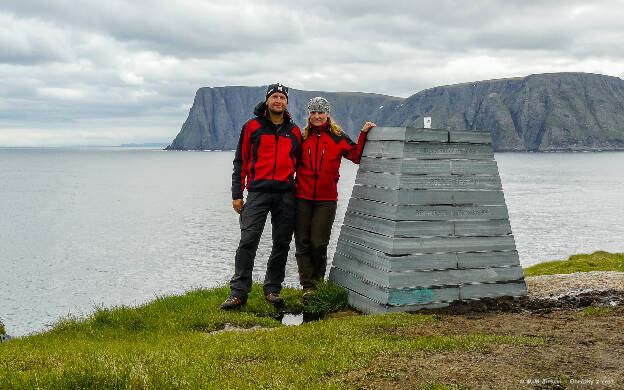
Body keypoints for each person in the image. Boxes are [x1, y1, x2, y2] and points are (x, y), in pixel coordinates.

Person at [222, 83, 302, 310]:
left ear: (287, 102)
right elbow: (240, 162)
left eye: (282, 97)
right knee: (248, 241)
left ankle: (272, 290)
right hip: (257, 192)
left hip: (286, 194)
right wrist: (237, 194)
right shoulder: (252, 127)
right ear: (267, 100)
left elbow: (298, 162)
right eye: (275, 97)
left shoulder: (294, 131)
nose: (279, 101)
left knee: (282, 243)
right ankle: (238, 292)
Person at [294, 97, 376, 299]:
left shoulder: (338, 137)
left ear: (327, 114)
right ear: (309, 115)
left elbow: (356, 156)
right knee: (302, 243)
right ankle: (308, 286)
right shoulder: (302, 138)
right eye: (313, 112)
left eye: (320, 112)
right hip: (301, 197)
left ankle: (318, 282)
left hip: (326, 200)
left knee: (318, 243)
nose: (316, 116)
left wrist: (363, 134)